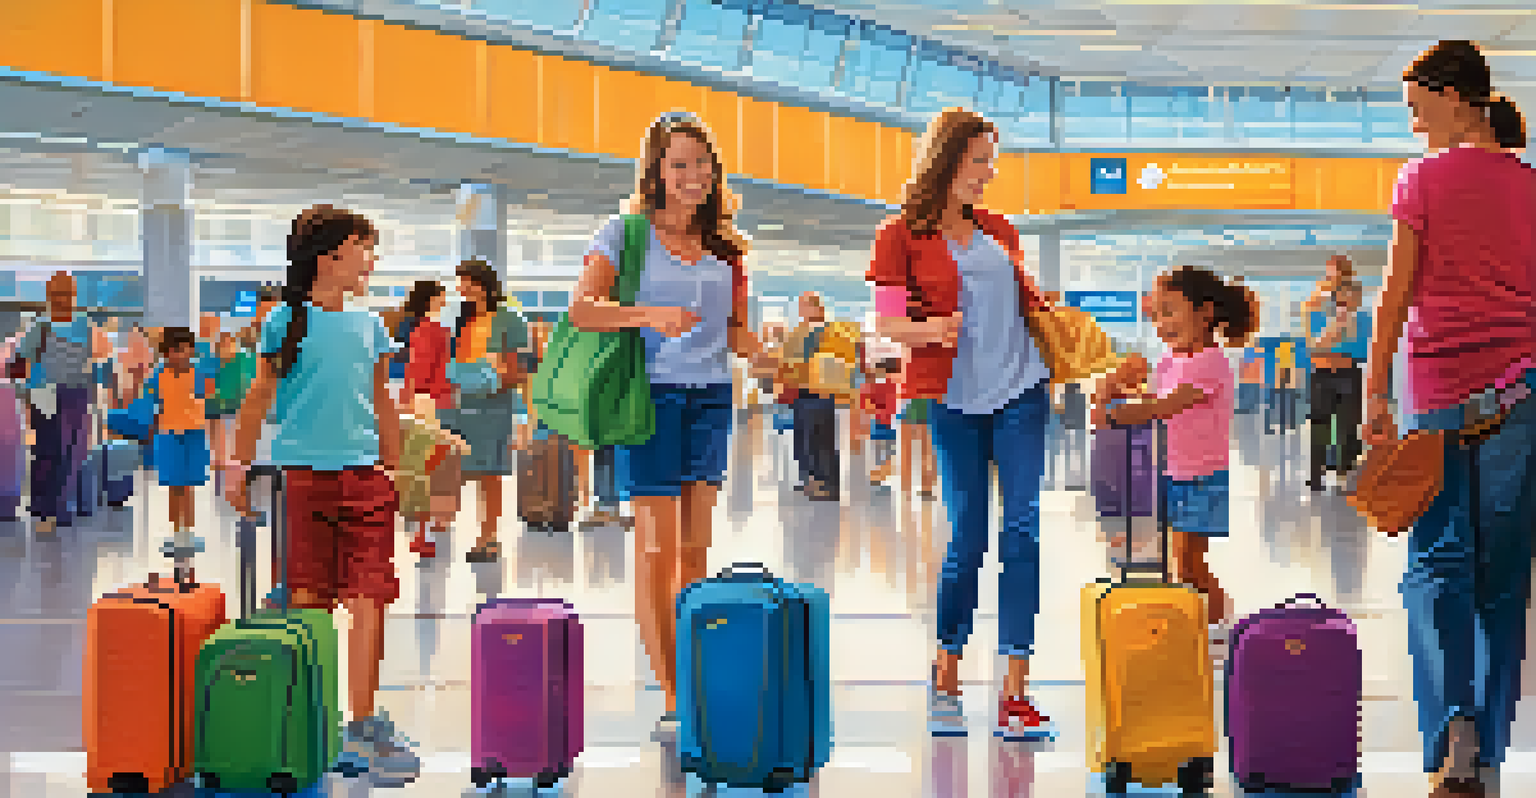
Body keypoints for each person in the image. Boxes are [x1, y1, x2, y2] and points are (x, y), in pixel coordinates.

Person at [1365, 40, 1536, 798]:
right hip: (1520, 397)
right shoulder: (1531, 187)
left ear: (1455, 96)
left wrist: (1375, 390)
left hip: (1435, 397)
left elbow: (1395, 295)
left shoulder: (1421, 180)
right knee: (1501, 580)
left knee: (1437, 568)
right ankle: (1491, 751)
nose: (1412, 124)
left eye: (1417, 106)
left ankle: (1449, 736)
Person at [567, 111, 768, 739]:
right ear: (656, 170)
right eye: (679, 164)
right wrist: (647, 314)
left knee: (692, 550)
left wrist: (755, 348)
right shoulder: (625, 234)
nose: (692, 176)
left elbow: (732, 329)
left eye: (701, 164)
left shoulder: (726, 249)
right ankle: (674, 691)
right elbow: (582, 310)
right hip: (645, 400)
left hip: (711, 397)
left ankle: (693, 670)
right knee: (654, 549)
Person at [867, 108, 1060, 740]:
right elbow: (887, 326)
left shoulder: (1000, 231)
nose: (988, 171)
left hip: (1022, 392)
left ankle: (1015, 689)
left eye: (990, 159)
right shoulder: (899, 235)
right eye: (980, 158)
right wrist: (932, 330)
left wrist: (1050, 313)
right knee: (968, 536)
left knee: (1024, 531)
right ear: (948, 159)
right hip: (952, 399)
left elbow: (1022, 304)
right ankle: (946, 672)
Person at [228, 205, 420, 786]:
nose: (372, 258)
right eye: (365, 247)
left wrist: (396, 474)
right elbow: (260, 397)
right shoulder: (285, 321)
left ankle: (360, 723)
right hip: (302, 475)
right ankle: (317, 717)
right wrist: (239, 465)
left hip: (366, 476)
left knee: (370, 597)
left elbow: (383, 405)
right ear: (330, 255)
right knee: (310, 597)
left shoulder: (370, 327)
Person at [1098, 266, 1258, 653]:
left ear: (1205, 313)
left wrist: (1113, 412)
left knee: (1189, 561)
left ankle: (1224, 626)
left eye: (1170, 312)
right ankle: (1189, 625)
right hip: (1169, 472)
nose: (1161, 323)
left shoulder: (1210, 362)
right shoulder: (1171, 360)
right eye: (1156, 315)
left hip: (1200, 477)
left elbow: (1164, 406)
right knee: (1173, 562)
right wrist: (1117, 384)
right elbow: (1146, 394)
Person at [441, 258, 531, 563]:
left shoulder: (509, 318)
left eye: (468, 282)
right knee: (451, 468)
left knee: (490, 473)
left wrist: (493, 382)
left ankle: (488, 537)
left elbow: (518, 369)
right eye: (460, 283)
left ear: (484, 284)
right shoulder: (459, 317)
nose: (463, 289)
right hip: (458, 402)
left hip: (494, 404)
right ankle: (438, 528)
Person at [14, 271, 94, 535]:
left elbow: (89, 360)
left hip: (76, 394)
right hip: (44, 394)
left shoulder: (83, 324)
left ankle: (60, 506)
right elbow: (22, 362)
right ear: (49, 296)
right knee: (48, 452)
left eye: (67, 293)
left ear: (74, 294)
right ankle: (44, 509)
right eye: (57, 294)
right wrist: (26, 396)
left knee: (72, 453)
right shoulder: (40, 325)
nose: (62, 299)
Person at [396, 279, 468, 561]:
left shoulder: (425, 329)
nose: (445, 298)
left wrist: (408, 398)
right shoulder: (433, 329)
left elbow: (417, 370)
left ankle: (425, 528)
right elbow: (423, 370)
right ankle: (428, 528)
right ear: (430, 299)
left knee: (423, 464)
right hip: (433, 402)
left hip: (424, 402)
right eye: (441, 294)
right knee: (431, 465)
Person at [150, 326, 215, 578]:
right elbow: (152, 401)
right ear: (166, 352)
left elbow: (207, 395)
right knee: (173, 485)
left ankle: (187, 530)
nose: (181, 354)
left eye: (186, 348)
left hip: (194, 434)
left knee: (189, 486)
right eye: (176, 349)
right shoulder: (158, 375)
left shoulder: (199, 374)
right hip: (168, 434)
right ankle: (176, 531)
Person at [1305, 265, 1371, 490]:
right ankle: (1316, 475)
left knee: (1348, 428)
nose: (1349, 301)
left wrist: (1331, 348)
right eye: (1344, 296)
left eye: (1355, 297)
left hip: (1349, 376)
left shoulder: (1363, 321)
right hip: (1322, 376)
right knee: (1319, 426)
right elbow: (1313, 349)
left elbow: (1359, 352)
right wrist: (1334, 334)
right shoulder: (1319, 316)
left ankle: (1345, 475)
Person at [861, 357, 902, 487]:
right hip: (885, 421)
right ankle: (883, 474)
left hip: (884, 421)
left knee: (883, 449)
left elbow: (866, 403)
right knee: (886, 449)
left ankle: (882, 474)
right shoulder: (886, 384)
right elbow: (866, 402)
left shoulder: (884, 384)